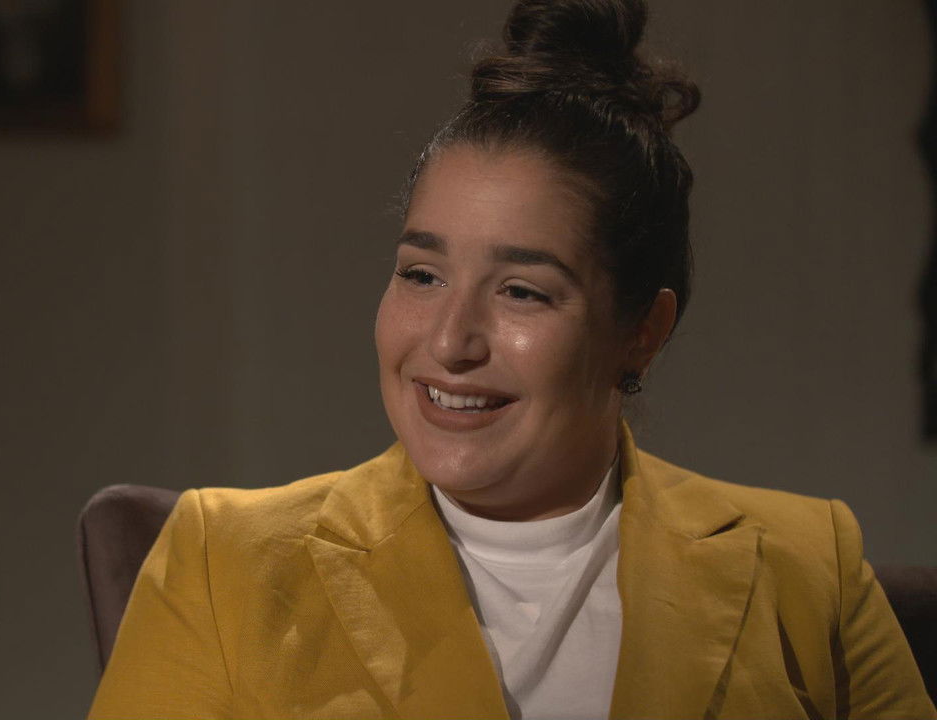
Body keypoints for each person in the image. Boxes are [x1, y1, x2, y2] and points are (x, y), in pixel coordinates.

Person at [87, 1, 936, 717]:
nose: (450, 341)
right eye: (422, 275)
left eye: (523, 291)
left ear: (642, 329)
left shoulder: (806, 567)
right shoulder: (223, 564)